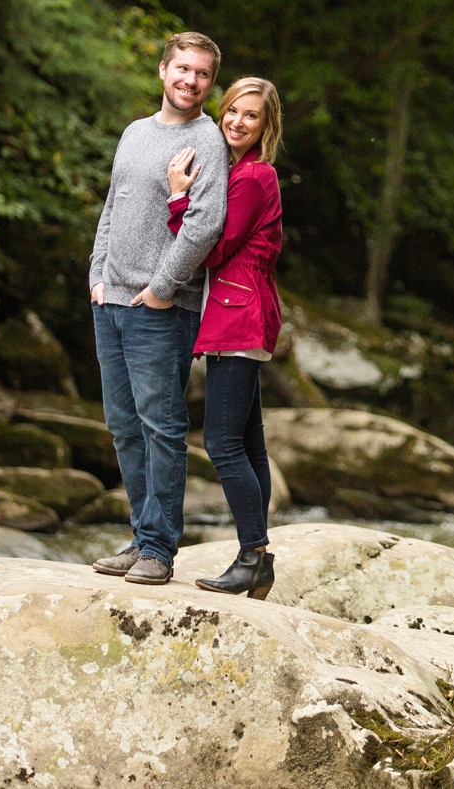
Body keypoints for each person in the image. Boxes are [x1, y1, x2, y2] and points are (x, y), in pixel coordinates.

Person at [87, 31, 232, 585]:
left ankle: (158, 549)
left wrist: (163, 288)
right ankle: (139, 537)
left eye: (201, 74)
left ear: (208, 83)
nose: (191, 81)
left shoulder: (207, 141)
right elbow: (113, 205)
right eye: (183, 69)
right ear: (163, 71)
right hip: (112, 301)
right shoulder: (135, 133)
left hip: (161, 308)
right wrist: (97, 274)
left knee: (162, 427)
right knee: (124, 426)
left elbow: (203, 223)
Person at [163, 76, 284, 598]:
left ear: (266, 125)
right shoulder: (241, 172)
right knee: (249, 442)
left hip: (237, 315)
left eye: (251, 115)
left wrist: (177, 200)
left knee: (221, 444)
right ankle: (257, 557)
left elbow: (209, 248)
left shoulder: (253, 178)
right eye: (232, 109)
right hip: (242, 312)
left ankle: (252, 555)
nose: (237, 121)